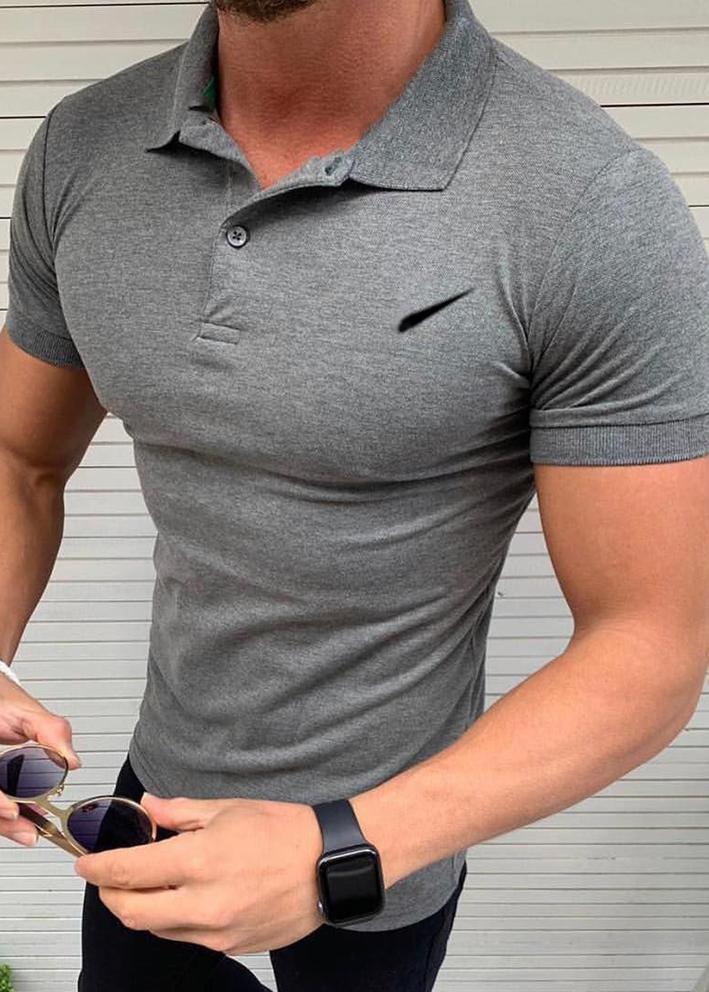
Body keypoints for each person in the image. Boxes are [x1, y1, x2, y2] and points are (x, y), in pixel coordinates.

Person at [1, 0, 708, 988]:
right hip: (154, 795)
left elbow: (651, 644)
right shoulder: (83, 146)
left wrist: (343, 847)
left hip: (384, 847)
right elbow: (19, 456)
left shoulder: (588, 200)